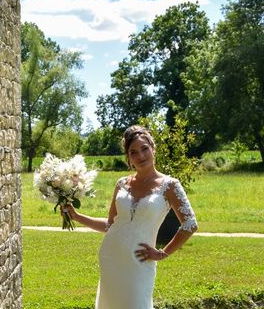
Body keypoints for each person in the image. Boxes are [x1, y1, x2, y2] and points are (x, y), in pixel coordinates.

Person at [63, 125, 198, 309]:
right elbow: (110, 225)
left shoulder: (170, 185)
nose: (140, 156)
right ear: (128, 157)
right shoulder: (121, 184)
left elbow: (190, 224)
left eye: (144, 149)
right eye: (133, 152)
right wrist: (77, 216)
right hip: (112, 256)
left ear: (153, 148)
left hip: (140, 262)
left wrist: (163, 253)